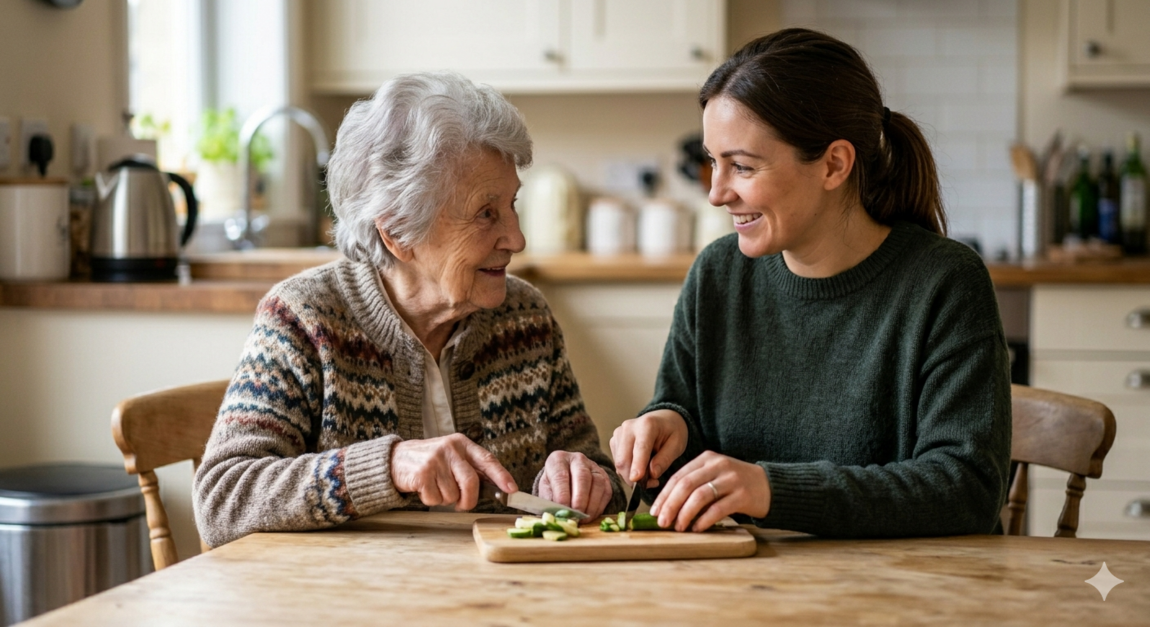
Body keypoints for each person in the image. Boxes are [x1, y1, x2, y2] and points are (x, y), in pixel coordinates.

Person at [610, 29, 1011, 538]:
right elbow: (685, 415)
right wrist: (668, 425)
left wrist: (772, 490)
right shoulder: (717, 274)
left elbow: (967, 489)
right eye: (713, 162)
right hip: (748, 588)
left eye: (742, 166)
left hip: (907, 597)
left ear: (833, 164)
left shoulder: (945, 284)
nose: (715, 193)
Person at [194, 72, 624, 547]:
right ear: (397, 232)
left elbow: (601, 477)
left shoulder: (525, 318)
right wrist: (386, 466)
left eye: (511, 205)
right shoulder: (304, 318)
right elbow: (222, 501)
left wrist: (589, 481)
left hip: (503, 601)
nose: (516, 238)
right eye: (486, 213)